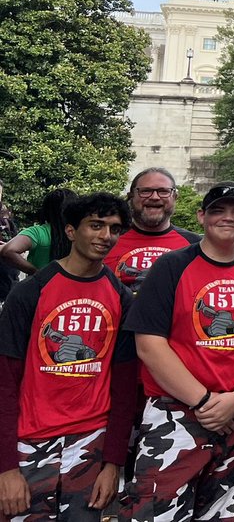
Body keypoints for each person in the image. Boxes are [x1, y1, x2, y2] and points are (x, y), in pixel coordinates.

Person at [124, 181, 234, 522]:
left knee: (223, 512)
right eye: (218, 210)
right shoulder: (171, 266)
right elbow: (149, 344)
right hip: (176, 410)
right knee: (157, 512)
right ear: (201, 216)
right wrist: (202, 401)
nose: (228, 218)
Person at [0, 193, 137, 522]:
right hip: (29, 441)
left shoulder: (121, 297)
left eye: (114, 229)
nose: (106, 236)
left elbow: (125, 386)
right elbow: (4, 381)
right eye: (96, 225)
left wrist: (113, 463)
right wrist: (6, 468)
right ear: (71, 231)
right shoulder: (31, 291)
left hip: (91, 443)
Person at [107, 168, 199, 292]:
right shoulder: (107, 239)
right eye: (145, 191)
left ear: (175, 197)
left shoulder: (196, 245)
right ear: (131, 197)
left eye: (163, 191)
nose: (155, 197)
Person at [1, 189, 77, 276]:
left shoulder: (38, 232)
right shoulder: (79, 233)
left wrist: (36, 273)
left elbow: (8, 251)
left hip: (42, 284)